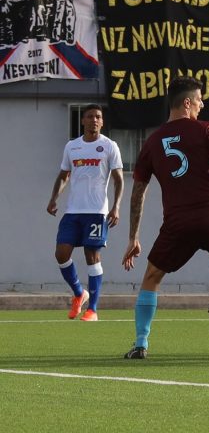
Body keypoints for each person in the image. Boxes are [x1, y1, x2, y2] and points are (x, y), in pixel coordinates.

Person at [121, 76, 209, 360]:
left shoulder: (152, 142)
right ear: (186, 102)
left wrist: (133, 237)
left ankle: (141, 343)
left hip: (177, 223)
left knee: (152, 278)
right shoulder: (206, 130)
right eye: (199, 100)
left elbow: (137, 193)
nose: (201, 105)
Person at [47, 104, 123, 322]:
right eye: (90, 116)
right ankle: (80, 293)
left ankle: (93, 309)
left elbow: (118, 180)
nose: (94, 120)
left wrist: (115, 206)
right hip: (73, 211)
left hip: (97, 211)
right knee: (61, 254)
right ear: (83, 121)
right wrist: (54, 198)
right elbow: (64, 176)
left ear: (102, 121)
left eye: (98, 117)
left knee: (92, 256)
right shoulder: (72, 146)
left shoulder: (110, 146)